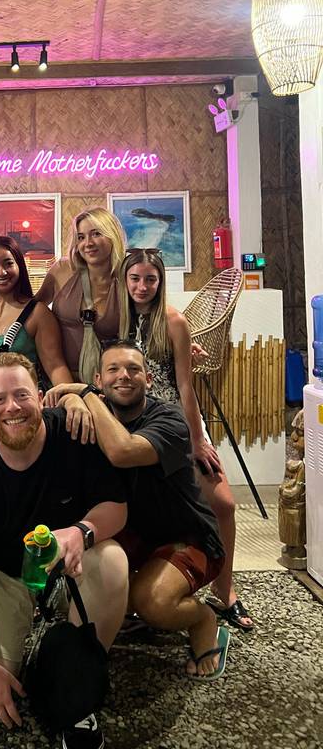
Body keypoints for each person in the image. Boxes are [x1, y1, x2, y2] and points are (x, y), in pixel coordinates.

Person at [0, 352, 128, 749]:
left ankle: (79, 674)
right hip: (5, 575)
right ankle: (27, 658)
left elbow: (116, 507)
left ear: (41, 397)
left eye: (22, 395)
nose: (12, 407)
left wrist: (81, 531)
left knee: (112, 560)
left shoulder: (75, 434)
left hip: (68, 566)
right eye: (0, 399)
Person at [56, 341, 230, 681]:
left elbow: (123, 451)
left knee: (153, 602)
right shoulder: (93, 411)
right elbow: (56, 404)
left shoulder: (170, 418)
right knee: (77, 587)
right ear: (99, 378)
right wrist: (72, 399)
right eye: (113, 370)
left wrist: (83, 394)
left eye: (134, 369)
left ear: (149, 379)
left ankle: (203, 619)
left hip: (189, 536)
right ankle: (131, 602)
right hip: (133, 535)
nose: (124, 376)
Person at [119, 248, 252, 630]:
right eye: (135, 278)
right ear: (124, 281)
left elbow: (184, 386)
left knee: (223, 503)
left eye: (150, 279)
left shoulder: (174, 321)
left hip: (176, 422)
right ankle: (136, 595)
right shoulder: (117, 321)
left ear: (161, 282)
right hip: (134, 425)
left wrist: (197, 440)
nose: (142, 286)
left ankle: (225, 592)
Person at [0, 236, 72, 437]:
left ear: (19, 266)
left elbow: (56, 366)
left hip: (20, 409)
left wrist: (72, 399)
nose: (1, 272)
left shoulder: (38, 313)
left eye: (8, 263)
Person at [37, 208, 126, 383]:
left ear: (113, 235)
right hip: (60, 379)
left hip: (109, 383)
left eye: (96, 234)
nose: (88, 243)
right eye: (81, 237)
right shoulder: (62, 270)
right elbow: (33, 309)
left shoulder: (127, 279)